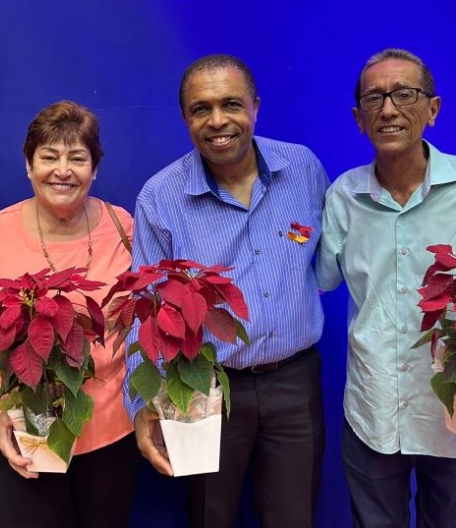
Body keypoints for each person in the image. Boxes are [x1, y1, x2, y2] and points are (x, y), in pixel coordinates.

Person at [316, 48, 456, 527]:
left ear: (433, 109)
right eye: (374, 98)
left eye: (404, 94)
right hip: (373, 409)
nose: (388, 109)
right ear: (358, 118)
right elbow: (321, 279)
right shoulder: (343, 197)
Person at [126, 55, 329, 528]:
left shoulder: (303, 169)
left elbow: (333, 258)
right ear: (185, 118)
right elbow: (146, 311)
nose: (217, 121)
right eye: (201, 109)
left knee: (295, 518)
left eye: (231, 104)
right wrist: (141, 403)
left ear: (256, 107)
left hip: (293, 383)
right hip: (204, 387)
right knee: (209, 516)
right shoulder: (160, 197)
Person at [0, 100, 139, 528]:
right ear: (28, 165)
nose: (62, 171)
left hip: (110, 430)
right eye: (49, 157)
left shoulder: (124, 227)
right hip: (23, 427)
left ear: (95, 168)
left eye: (77, 158)